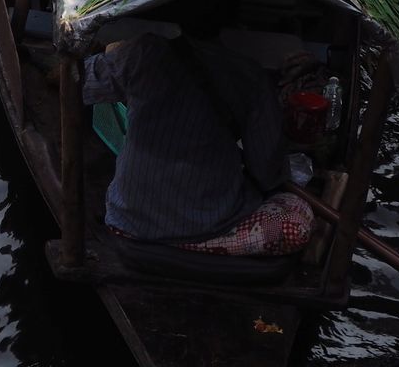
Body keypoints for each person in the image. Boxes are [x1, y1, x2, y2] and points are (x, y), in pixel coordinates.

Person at [82, 30, 313, 256]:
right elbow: (268, 173)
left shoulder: (141, 51)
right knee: (297, 211)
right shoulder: (249, 75)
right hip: (205, 228)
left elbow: (80, 82)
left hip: (128, 220)